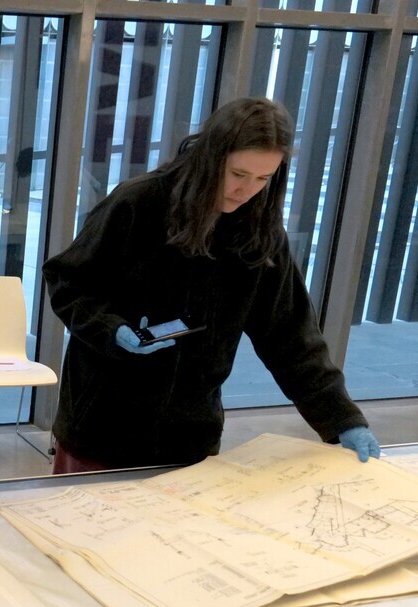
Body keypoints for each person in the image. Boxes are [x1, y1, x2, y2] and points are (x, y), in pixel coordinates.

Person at [43, 97, 380, 473]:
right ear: (212, 157)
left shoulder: (260, 233)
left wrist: (342, 419)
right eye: (238, 174)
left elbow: (292, 338)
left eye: (263, 179)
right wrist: (111, 330)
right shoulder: (138, 203)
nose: (247, 190)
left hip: (189, 438)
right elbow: (69, 282)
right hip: (101, 425)